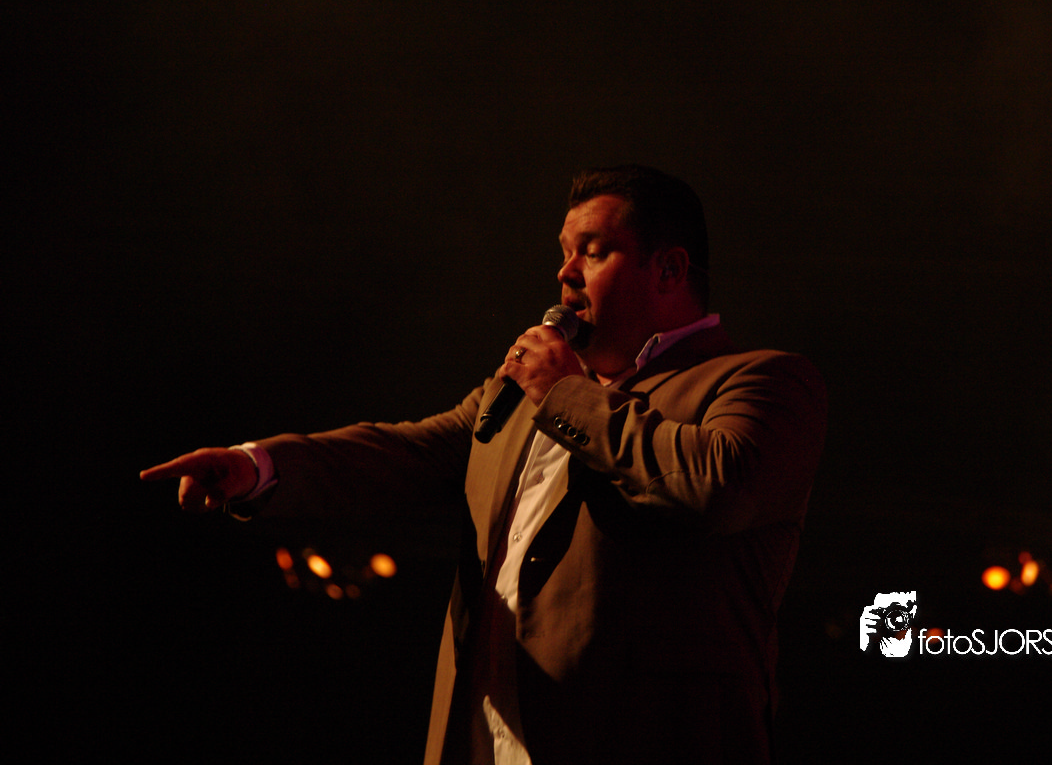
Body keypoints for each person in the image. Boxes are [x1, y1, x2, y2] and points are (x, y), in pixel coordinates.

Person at [141, 165, 827, 765]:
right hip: (485, 738)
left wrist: (565, 394)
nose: (565, 274)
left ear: (669, 270)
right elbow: (411, 450)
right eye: (564, 253)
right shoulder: (526, 395)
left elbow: (721, 487)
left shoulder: (761, 381)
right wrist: (255, 465)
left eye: (593, 252)